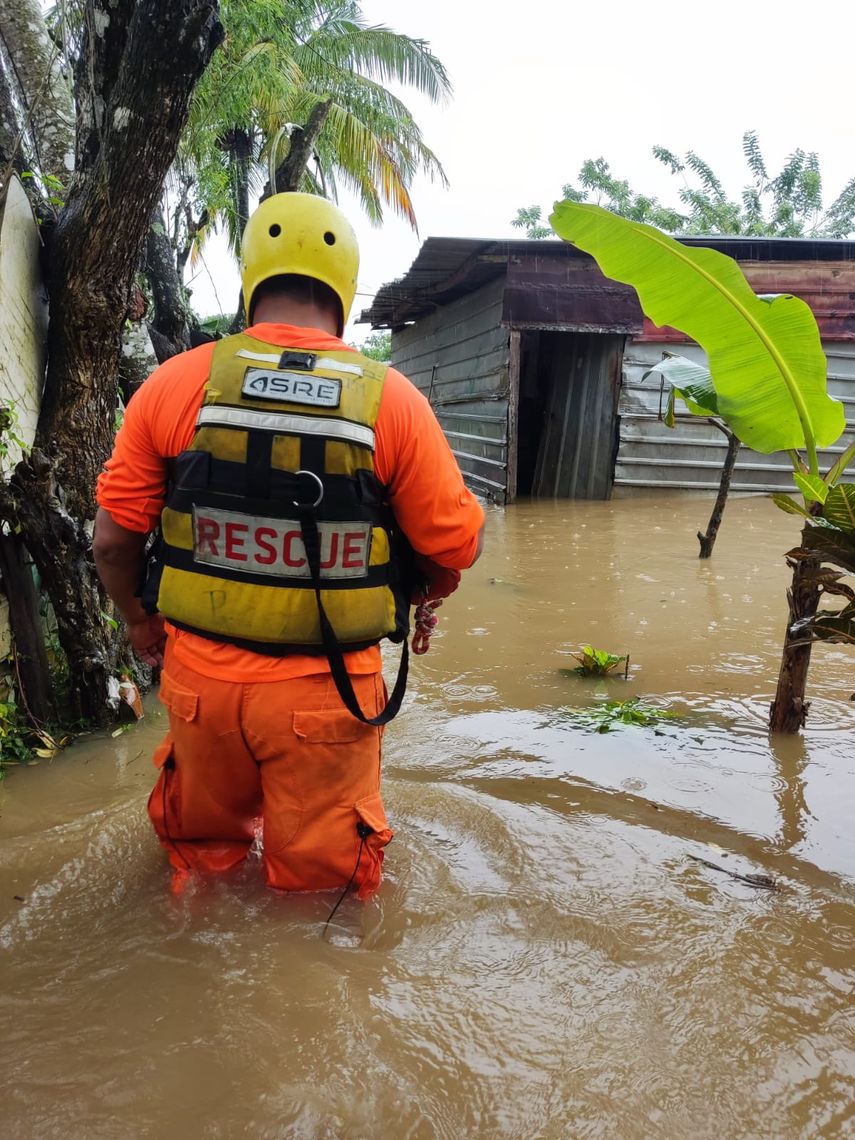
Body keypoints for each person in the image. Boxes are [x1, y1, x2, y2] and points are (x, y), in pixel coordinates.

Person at [93, 192, 484, 898]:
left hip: (198, 688)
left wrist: (141, 624)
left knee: (199, 868)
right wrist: (426, 591)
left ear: (252, 280)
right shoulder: (391, 401)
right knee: (323, 893)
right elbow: (451, 547)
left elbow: (113, 545)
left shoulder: (172, 385)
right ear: (340, 290)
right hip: (328, 693)